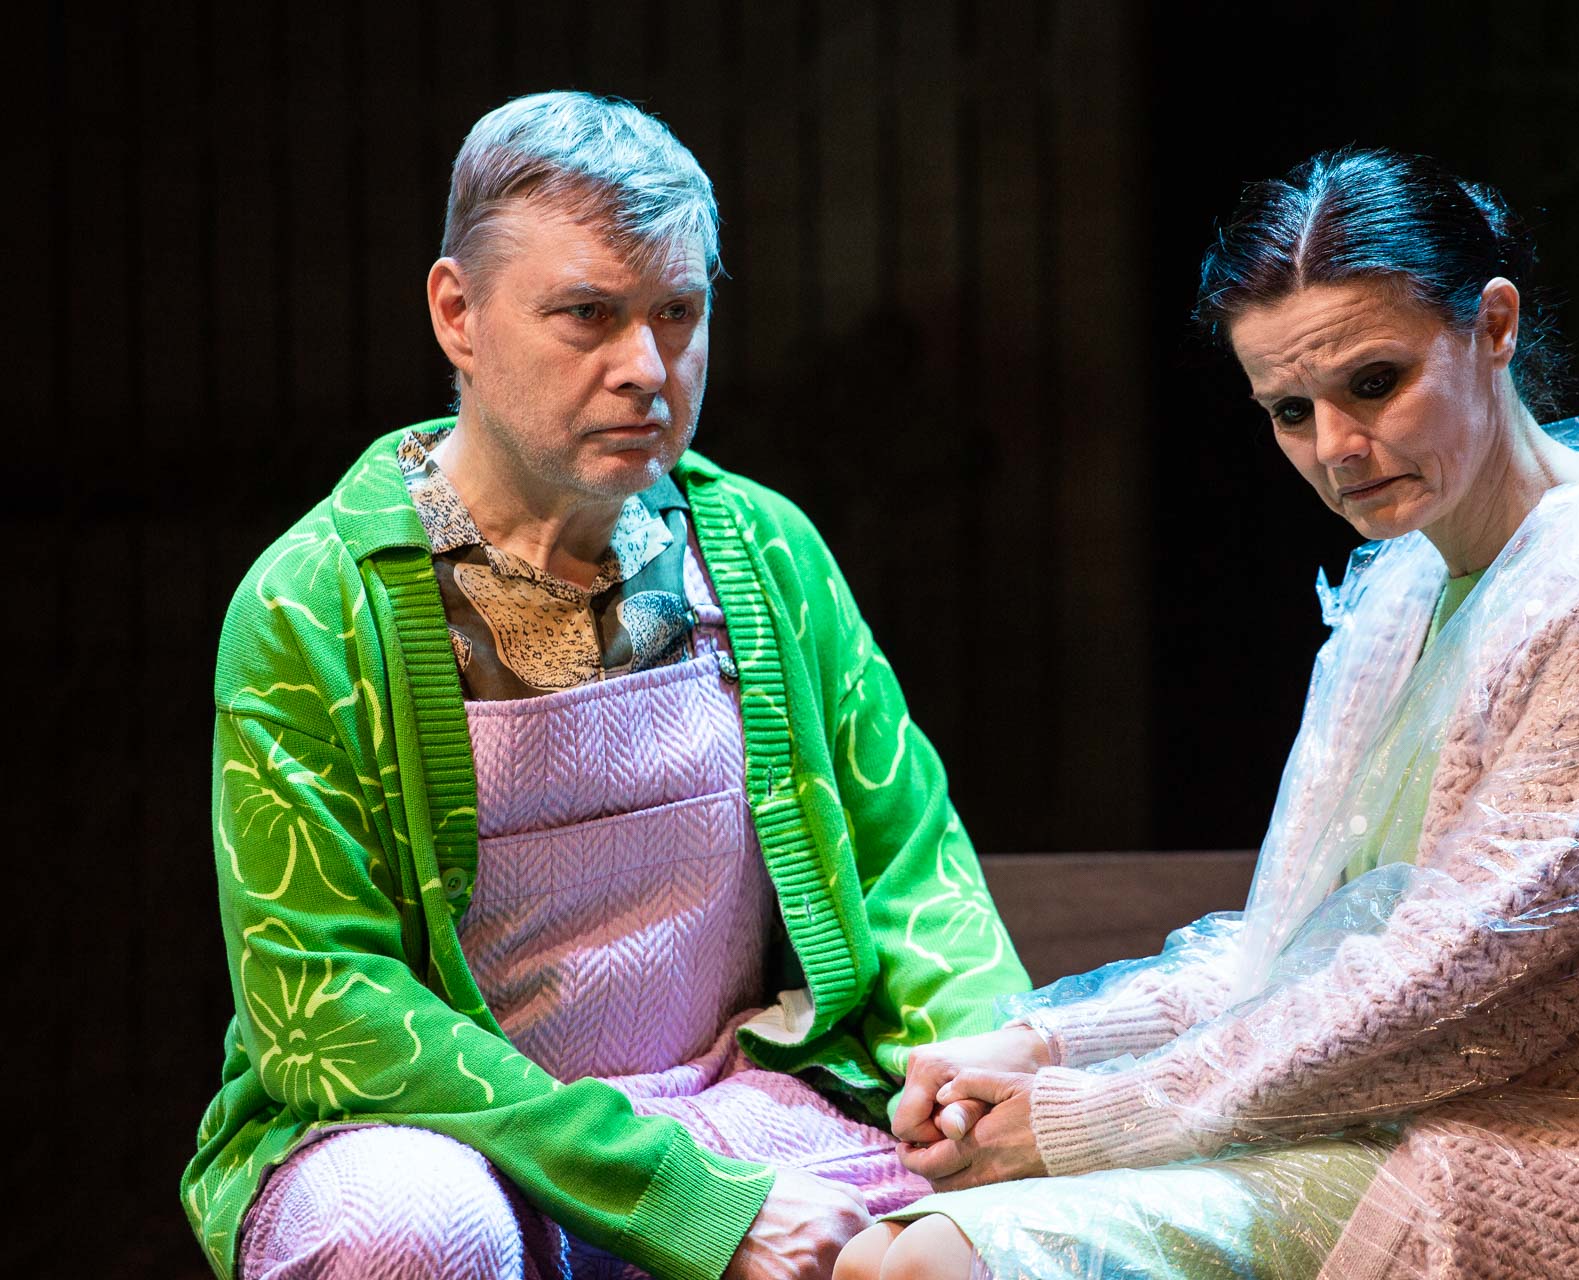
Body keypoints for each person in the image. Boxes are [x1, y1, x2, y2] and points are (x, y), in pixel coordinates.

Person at [838, 150, 1579, 1279]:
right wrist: (1050, 1044)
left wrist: (1091, 1116)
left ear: (1495, 326)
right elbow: (1304, 950)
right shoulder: (1406, 588)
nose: (1334, 448)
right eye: (1290, 410)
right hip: (1395, 1124)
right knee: (884, 1240)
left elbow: (1464, 980)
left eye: (1374, 381)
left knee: (923, 1262)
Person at [180, 91, 1031, 1280]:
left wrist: (984, 1061)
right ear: (458, 313)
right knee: (404, 1229)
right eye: (588, 314)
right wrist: (682, 1200)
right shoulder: (314, 602)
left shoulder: (762, 551)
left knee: (1000, 1218)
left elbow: (910, 861)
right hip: (456, 1142)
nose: (646, 367)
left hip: (734, 1102)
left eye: (677, 312)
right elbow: (329, 1000)